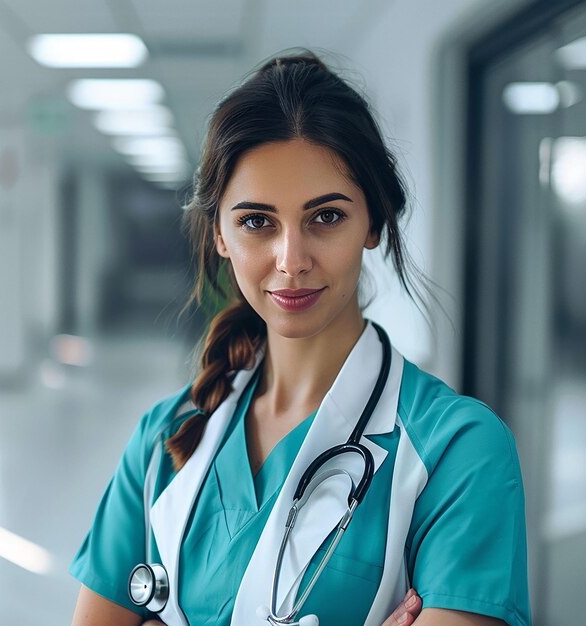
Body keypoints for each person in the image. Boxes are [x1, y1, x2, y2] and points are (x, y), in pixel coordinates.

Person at [69, 51, 531, 626]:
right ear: (219, 234)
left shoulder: (458, 453)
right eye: (257, 221)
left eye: (326, 217)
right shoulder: (165, 439)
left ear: (375, 222)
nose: (291, 261)